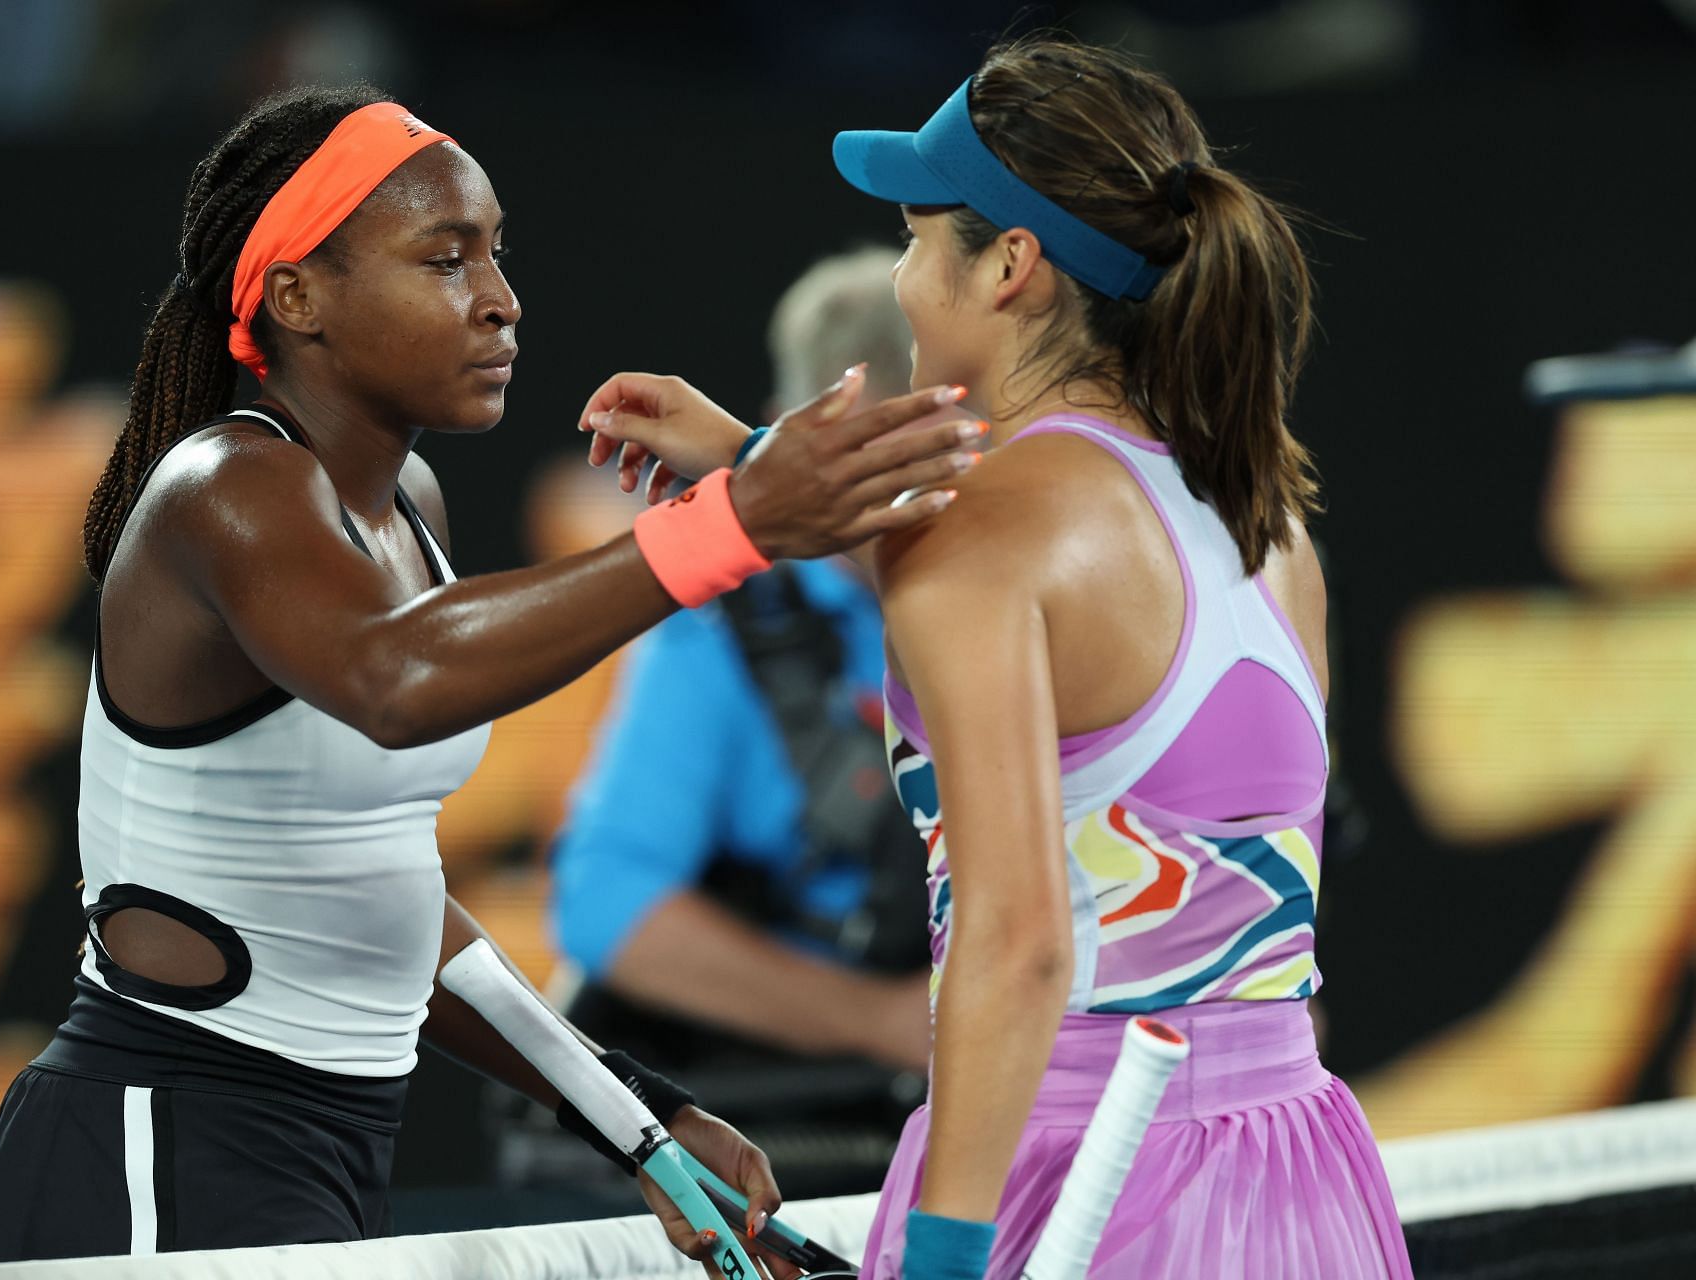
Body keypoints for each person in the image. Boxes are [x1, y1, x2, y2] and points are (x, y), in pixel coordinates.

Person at [0, 84, 982, 1266]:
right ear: (299, 297)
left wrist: (638, 1124)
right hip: (155, 1136)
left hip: (318, 1148)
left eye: (496, 256)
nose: (501, 302)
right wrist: (735, 517)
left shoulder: (410, 507)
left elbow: (391, 903)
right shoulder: (223, 488)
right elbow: (399, 681)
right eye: (446, 260)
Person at [581, 35, 1411, 1280]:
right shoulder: (1264, 518)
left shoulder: (982, 537)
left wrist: (946, 1256)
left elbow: (1021, 938)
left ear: (1011, 266)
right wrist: (752, 457)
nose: (904, 277)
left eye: (919, 241)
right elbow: (1102, 675)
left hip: (1079, 1171)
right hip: (1298, 1171)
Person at [552, 247, 932, 1083]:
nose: (882, 490)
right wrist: (880, 1022)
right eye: (866, 452)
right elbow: (605, 900)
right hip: (831, 1095)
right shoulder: (717, 632)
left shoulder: (1027, 590)